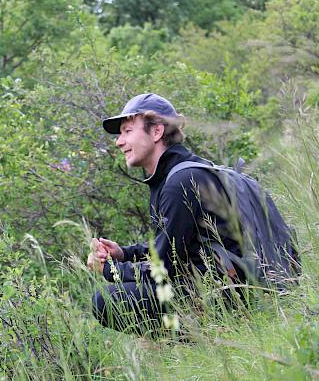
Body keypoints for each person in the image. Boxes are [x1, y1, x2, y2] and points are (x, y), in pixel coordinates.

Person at [87, 93, 241, 335]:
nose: (119, 141)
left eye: (127, 131)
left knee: (107, 300)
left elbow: (165, 269)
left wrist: (110, 270)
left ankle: (201, 343)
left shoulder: (179, 182)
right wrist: (125, 254)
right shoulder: (180, 173)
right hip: (225, 287)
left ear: (157, 132)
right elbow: (173, 249)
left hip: (230, 298)